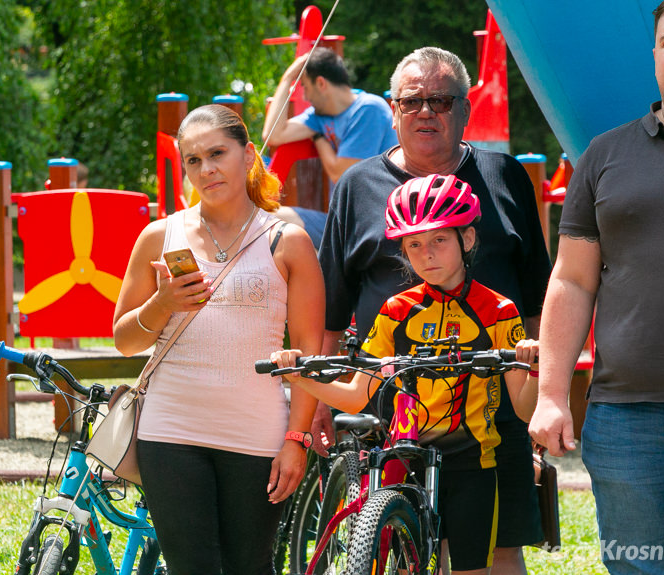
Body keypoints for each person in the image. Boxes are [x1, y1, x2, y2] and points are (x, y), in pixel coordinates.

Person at [318, 47, 553, 574]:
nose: (427, 111)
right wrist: (313, 409)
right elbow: (332, 308)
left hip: (496, 405)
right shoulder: (357, 186)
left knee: (497, 548)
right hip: (396, 407)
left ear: (464, 110)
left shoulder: (504, 174)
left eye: (442, 100)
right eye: (413, 100)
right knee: (399, 546)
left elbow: (539, 297)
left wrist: (545, 397)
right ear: (392, 109)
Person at [273, 175, 540, 574]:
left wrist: (532, 367)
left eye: (439, 241)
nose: (426, 254)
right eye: (414, 244)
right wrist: (298, 377)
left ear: (466, 239)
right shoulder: (396, 310)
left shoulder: (498, 310)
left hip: (474, 465)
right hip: (406, 458)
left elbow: (523, 409)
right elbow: (357, 394)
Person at [529, 1, 664, 573]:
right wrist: (552, 394)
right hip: (630, 424)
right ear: (655, 56)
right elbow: (572, 279)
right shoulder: (604, 156)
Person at [112, 104, 324, 574]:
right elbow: (123, 340)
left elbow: (308, 355)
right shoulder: (158, 236)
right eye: (192, 160)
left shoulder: (289, 241)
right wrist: (162, 304)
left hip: (258, 435)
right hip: (170, 431)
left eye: (217, 153)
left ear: (248, 155)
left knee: (250, 566)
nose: (205, 169)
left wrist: (297, 439)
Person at [262, 47, 398, 185]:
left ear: (321, 83)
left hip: (380, 205)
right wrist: (287, 78)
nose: (305, 97)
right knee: (276, 208)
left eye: (306, 87)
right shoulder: (319, 115)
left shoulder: (369, 109)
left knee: (279, 208)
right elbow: (272, 135)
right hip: (346, 205)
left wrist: (318, 138)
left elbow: (341, 175)